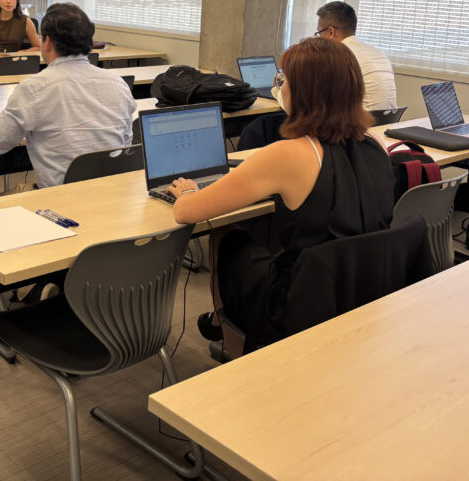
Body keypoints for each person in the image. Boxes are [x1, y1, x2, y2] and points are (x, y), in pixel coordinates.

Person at [168, 38, 394, 349]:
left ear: (303, 91)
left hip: (302, 300)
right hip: (365, 289)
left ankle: (229, 335)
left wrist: (187, 192)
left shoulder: (288, 154)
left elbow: (186, 212)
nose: (280, 86)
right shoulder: (375, 144)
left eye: (284, 79)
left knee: (225, 235)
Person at [0, 2, 135, 187]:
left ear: (47, 42)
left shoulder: (33, 89)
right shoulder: (118, 84)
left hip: (59, 200)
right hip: (111, 195)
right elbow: (125, 142)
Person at [315, 1, 396, 111]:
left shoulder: (339, 56)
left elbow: (321, 99)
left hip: (359, 121)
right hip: (387, 121)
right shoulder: (379, 54)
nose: (319, 39)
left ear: (331, 32)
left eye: (319, 33)